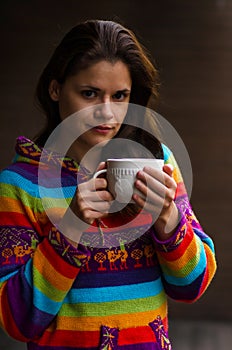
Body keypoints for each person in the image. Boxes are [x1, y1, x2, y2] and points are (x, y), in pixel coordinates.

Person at [0, 19, 216, 350]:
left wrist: (168, 219)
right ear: (55, 89)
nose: (107, 112)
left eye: (120, 96)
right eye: (89, 93)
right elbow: (17, 320)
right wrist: (71, 227)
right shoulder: (20, 186)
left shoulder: (158, 162)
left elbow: (192, 285)